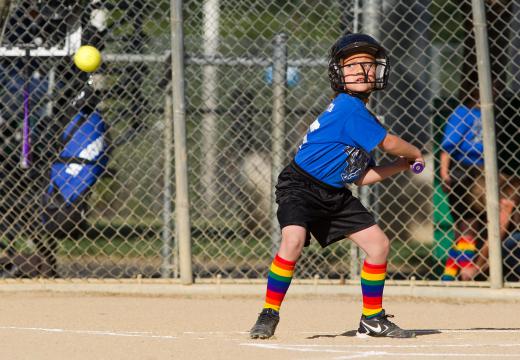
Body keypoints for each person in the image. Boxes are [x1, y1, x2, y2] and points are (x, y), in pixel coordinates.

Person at [249, 33, 424, 339]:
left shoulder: (361, 116)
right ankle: (268, 313)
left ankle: (372, 319)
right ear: (338, 73)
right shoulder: (348, 109)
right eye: (352, 66)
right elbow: (391, 143)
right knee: (293, 239)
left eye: (368, 65)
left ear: (379, 72)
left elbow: (359, 177)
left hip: (334, 192)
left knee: (378, 245)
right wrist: (413, 154)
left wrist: (398, 167)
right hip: (300, 186)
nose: (362, 71)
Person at [439, 87, 485, 281]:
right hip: (462, 169)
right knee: (468, 224)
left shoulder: (485, 113)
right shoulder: (462, 113)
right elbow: (447, 147)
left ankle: (449, 276)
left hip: (481, 169)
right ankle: (465, 274)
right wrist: (444, 173)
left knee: (469, 228)